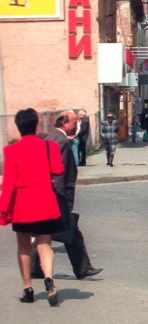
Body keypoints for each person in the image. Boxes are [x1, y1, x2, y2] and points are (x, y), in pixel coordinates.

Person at [0, 108, 64, 305]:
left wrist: (3, 208)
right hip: (45, 203)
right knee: (45, 244)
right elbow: (58, 169)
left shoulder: (11, 151)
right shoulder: (49, 146)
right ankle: (49, 278)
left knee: (23, 246)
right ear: (36, 125)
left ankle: (28, 288)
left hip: (22, 206)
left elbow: (9, 182)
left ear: (18, 127)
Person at [41, 111, 102, 281]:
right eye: (74, 123)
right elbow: (59, 173)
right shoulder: (61, 141)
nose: (76, 127)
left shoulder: (51, 138)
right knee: (71, 231)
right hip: (59, 195)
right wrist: (62, 199)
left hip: (50, 193)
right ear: (64, 123)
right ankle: (83, 268)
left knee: (44, 232)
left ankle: (35, 267)